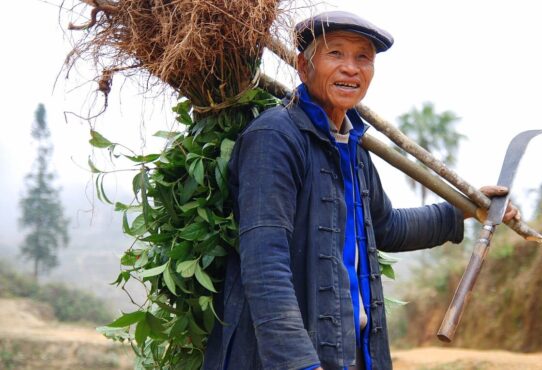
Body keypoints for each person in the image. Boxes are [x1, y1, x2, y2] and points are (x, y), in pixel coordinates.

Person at [202, 10, 519, 370]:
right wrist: (300, 364)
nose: (351, 68)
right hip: (283, 360)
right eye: (335, 54)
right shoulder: (275, 137)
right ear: (303, 68)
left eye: (363, 57)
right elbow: (264, 261)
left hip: (350, 354)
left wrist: (467, 207)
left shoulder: (353, 147)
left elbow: (386, 228)